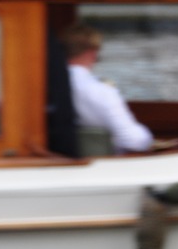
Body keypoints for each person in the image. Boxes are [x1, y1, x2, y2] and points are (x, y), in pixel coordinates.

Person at [62, 22, 154, 154]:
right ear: (93, 52)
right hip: (105, 166)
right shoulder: (102, 91)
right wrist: (149, 139)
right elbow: (134, 140)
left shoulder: (46, 86)